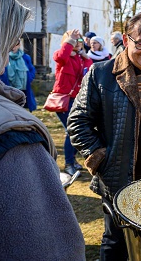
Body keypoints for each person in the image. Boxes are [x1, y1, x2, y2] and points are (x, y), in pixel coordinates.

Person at [0, 0, 84, 259]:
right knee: (70, 134)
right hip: (56, 100)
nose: (12, 44)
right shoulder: (7, 136)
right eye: (7, 32)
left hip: (30, 96)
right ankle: (70, 163)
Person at [68, 12, 141, 260]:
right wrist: (101, 157)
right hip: (119, 178)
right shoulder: (101, 74)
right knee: (116, 243)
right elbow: (77, 121)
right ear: (126, 39)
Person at [52, 29, 93, 176]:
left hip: (77, 99)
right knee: (71, 131)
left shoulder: (80, 59)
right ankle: (69, 163)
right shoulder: (62, 55)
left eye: (79, 40)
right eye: (74, 40)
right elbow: (61, 57)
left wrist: (85, 56)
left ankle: (73, 160)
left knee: (77, 130)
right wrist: (70, 41)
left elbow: (89, 71)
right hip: (63, 99)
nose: (77, 43)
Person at [0, 39, 38, 111]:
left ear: (19, 45)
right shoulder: (4, 57)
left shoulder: (25, 57)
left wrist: (29, 78)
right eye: (11, 44)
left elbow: (31, 69)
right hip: (9, 87)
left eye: (16, 44)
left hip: (23, 88)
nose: (14, 47)